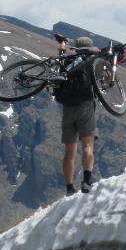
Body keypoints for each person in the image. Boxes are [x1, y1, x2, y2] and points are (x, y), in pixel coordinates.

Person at [54, 36, 100, 196]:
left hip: (68, 108)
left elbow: (60, 56)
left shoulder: (68, 61)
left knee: (69, 151)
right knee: (87, 145)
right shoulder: (93, 61)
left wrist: (62, 44)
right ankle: (86, 181)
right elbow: (106, 79)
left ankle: (69, 188)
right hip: (85, 106)